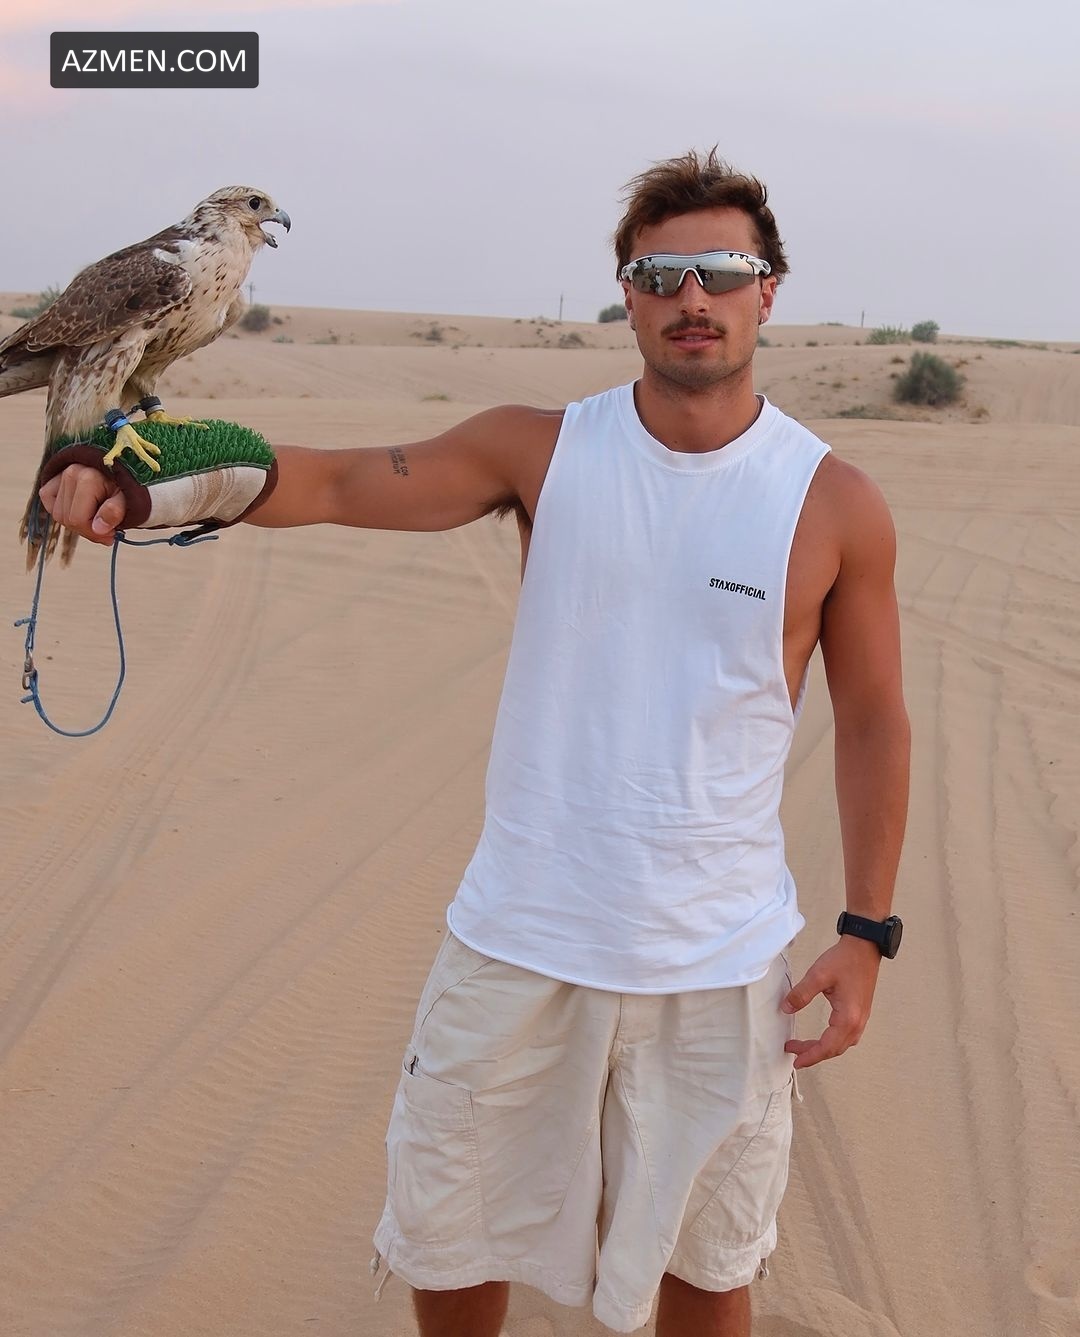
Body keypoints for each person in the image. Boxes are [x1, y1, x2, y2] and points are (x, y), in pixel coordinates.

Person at [39, 148, 911, 1337]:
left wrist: (868, 929)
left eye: (721, 269)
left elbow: (874, 717)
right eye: (660, 274)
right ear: (626, 292)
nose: (692, 297)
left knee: (707, 1264)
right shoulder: (539, 449)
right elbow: (342, 480)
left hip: (718, 965)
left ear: (769, 290)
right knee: (450, 1240)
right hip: (516, 941)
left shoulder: (835, 500)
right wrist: (155, 480)